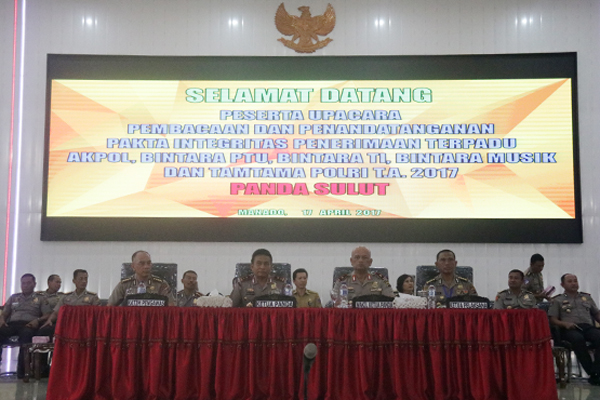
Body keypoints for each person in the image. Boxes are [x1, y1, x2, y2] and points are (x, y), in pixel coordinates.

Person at [549, 273, 600, 385]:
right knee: (577, 339)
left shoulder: (586, 297)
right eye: (570, 281)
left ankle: (596, 371)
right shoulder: (558, 300)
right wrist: (564, 324)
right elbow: (553, 319)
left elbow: (597, 314)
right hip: (569, 329)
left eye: (575, 281)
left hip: (587, 327)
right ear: (562, 285)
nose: (573, 283)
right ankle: (592, 373)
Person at [0, 274, 47, 378]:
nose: (25, 286)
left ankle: (22, 371)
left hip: (28, 325)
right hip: (12, 324)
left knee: (26, 336)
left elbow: (47, 314)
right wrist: (2, 320)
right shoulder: (14, 297)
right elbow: (4, 313)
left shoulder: (40, 298)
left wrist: (37, 320)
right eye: (23, 283)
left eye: (28, 283)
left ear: (34, 284)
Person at [107, 250, 172, 306]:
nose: (146, 266)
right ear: (133, 266)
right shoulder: (124, 285)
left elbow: (172, 308)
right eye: (142, 263)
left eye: (149, 263)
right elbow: (110, 308)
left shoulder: (161, 284)